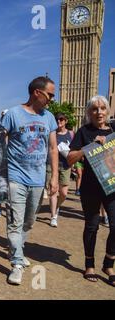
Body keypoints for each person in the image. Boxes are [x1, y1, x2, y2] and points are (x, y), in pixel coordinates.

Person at [1, 76, 58, 285]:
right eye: (49, 94)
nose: (51, 99)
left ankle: (17, 249)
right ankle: (16, 263)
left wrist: (53, 178)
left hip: (38, 179)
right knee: (15, 222)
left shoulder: (49, 118)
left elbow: (53, 148)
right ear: (37, 92)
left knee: (29, 221)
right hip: (15, 177)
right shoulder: (13, 114)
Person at [67, 95, 115, 287]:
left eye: (103, 108)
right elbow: (70, 158)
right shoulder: (84, 132)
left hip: (112, 186)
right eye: (94, 109)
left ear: (108, 111)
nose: (99, 112)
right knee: (92, 226)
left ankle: (109, 263)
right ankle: (89, 264)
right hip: (90, 187)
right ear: (89, 113)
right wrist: (90, 146)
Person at [46, 113, 74, 227]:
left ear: (66, 121)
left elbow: (74, 149)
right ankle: (53, 216)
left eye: (61, 119)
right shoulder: (51, 133)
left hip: (65, 165)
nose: (59, 121)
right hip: (52, 165)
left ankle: (57, 207)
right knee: (53, 191)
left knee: (64, 193)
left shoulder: (71, 134)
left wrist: (74, 163)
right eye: (57, 119)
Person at [0, 109, 9, 218]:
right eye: (2, 116)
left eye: (5, 116)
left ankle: (9, 208)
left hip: (12, 162)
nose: (4, 118)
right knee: (0, 184)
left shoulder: (14, 130)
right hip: (1, 160)